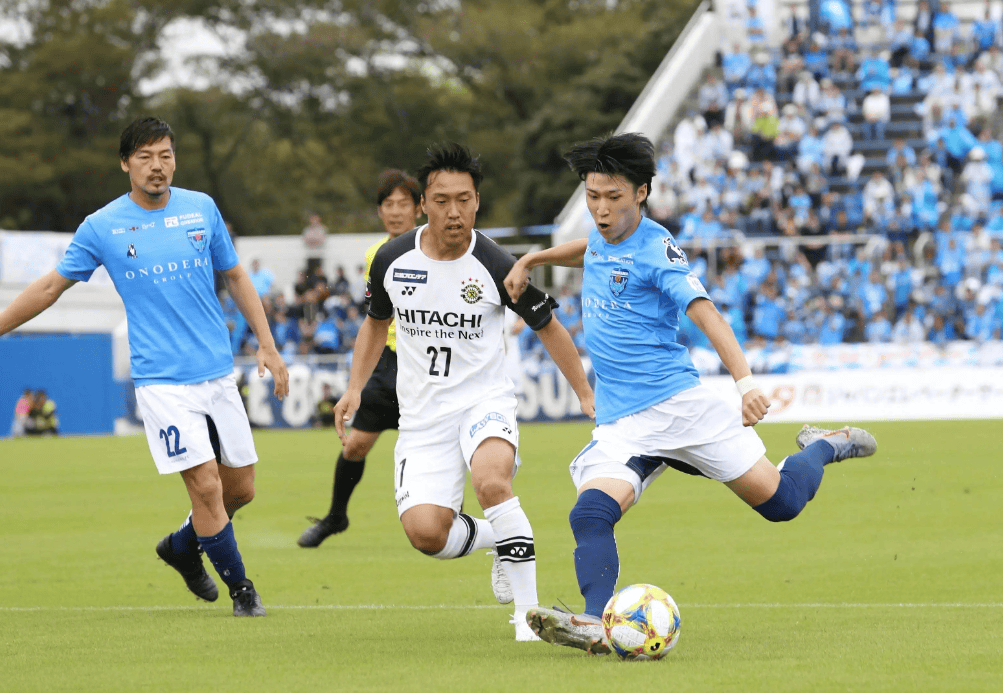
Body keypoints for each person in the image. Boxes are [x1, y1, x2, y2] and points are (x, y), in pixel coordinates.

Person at [504, 133, 877, 655]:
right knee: (589, 514)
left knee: (783, 504)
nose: (601, 209)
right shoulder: (598, 236)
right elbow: (585, 250)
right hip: (622, 423)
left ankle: (823, 444)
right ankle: (591, 621)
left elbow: (705, 313)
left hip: (682, 410)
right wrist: (533, 259)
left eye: (613, 197)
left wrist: (745, 384)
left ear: (642, 192)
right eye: (592, 196)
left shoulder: (657, 250)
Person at [0, 117, 289, 617]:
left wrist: (267, 344)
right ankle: (243, 591)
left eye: (166, 156)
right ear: (125, 164)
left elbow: (236, 275)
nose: (158, 167)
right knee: (205, 486)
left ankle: (181, 547)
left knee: (240, 489)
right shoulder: (102, 226)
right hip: (161, 382)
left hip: (218, 373)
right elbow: (50, 288)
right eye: (146, 158)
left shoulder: (201, 209)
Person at [332, 143, 594, 642]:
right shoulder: (391, 259)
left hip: (484, 403)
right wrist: (353, 389)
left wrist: (584, 392)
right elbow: (374, 324)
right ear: (423, 204)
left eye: (464, 200)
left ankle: (528, 618)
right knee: (426, 534)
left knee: (492, 483)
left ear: (478, 203)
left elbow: (547, 325)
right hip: (423, 419)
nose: (454, 211)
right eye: (442, 199)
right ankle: (501, 538)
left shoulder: (496, 263)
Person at [297, 169, 423, 548]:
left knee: (436, 447)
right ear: (379, 211)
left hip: (427, 365)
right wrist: (356, 382)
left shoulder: (436, 247)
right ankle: (336, 516)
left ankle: (452, 517)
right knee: (354, 446)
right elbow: (374, 319)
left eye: (404, 203)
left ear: (419, 208)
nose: (397, 211)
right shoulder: (376, 255)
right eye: (389, 204)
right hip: (387, 363)